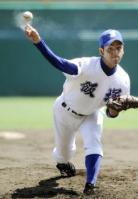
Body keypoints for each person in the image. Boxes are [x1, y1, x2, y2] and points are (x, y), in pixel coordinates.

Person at [24, 25, 130, 195]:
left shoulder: (123, 80)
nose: (115, 52)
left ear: (123, 50)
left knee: (94, 142)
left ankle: (91, 185)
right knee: (64, 154)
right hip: (64, 111)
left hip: (91, 114)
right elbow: (60, 63)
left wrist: (114, 111)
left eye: (119, 48)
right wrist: (38, 42)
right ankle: (62, 161)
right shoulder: (86, 65)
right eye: (110, 48)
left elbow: (111, 113)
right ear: (101, 51)